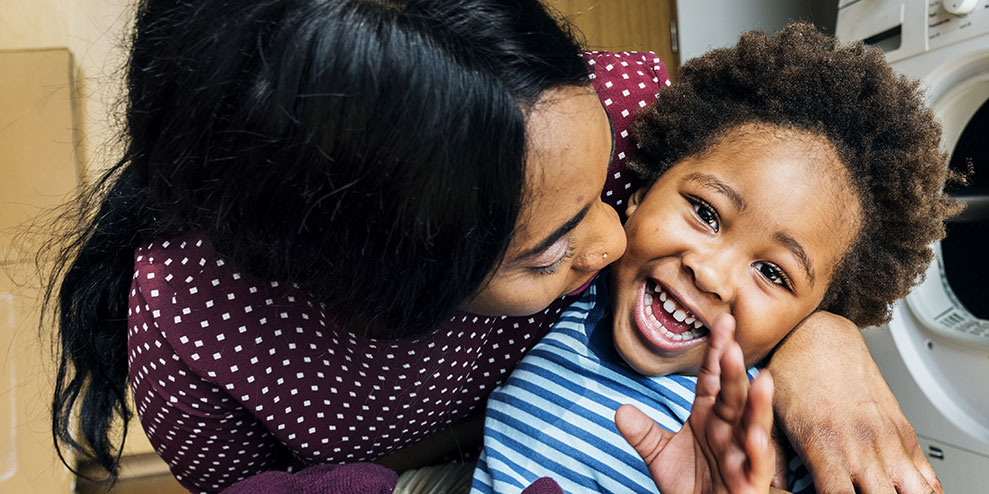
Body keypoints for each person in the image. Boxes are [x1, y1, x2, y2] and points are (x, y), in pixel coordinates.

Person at [45, 1, 943, 493]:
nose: (610, 235)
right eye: (549, 247)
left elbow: (797, 226)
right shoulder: (200, 339)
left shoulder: (629, 114)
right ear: (385, 296)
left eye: (606, 190)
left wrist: (826, 342)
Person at [470, 24, 961, 493]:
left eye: (772, 272)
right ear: (641, 192)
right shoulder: (579, 275)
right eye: (706, 212)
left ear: (810, 316)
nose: (709, 273)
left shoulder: (769, 425)